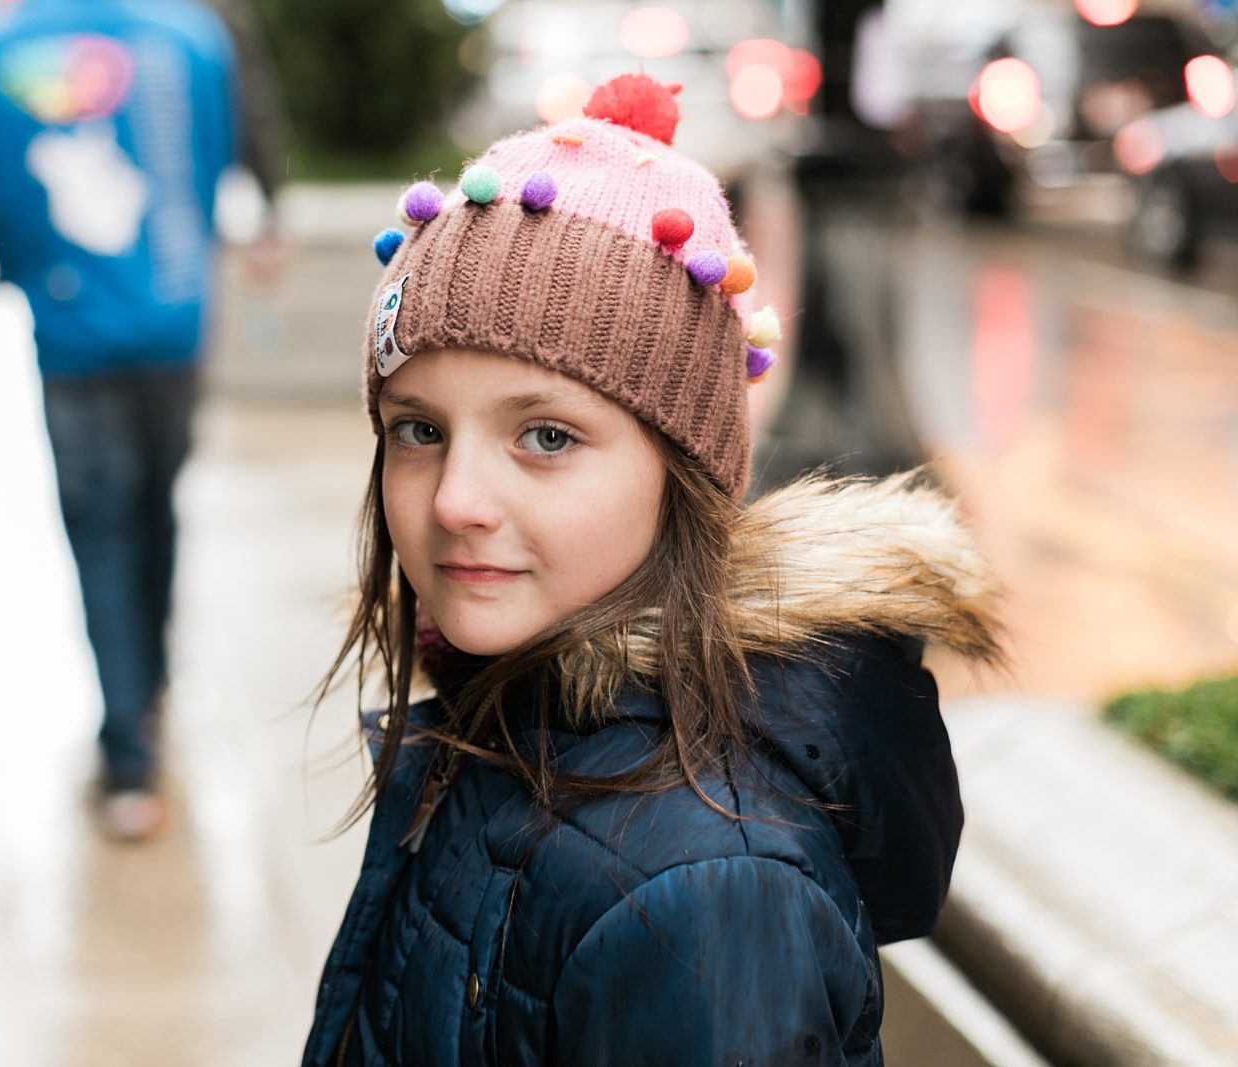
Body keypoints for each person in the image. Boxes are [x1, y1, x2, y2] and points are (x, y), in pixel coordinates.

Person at [304, 73, 1005, 1065]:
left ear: (682, 475)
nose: (456, 497)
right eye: (419, 429)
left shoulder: (709, 892)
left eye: (545, 434)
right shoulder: (505, 713)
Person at [0, 0, 282, 840]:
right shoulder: (189, 39)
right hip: (173, 319)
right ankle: (152, 683)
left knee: (100, 526)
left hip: (69, 333)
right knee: (153, 505)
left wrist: (42, 281)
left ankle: (128, 746)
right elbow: (214, 174)